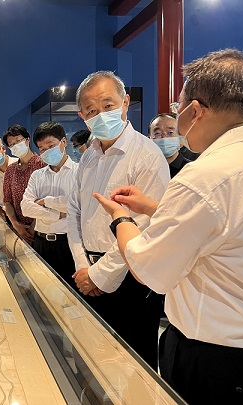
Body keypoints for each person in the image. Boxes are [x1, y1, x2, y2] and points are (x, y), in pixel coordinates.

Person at [93, 49, 243, 404]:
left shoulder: (204, 176)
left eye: (177, 108)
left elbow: (149, 269)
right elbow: (229, 226)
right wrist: (156, 207)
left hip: (214, 356)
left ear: (195, 110)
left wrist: (121, 218)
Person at [67, 71, 170, 370]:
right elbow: (75, 212)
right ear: (82, 116)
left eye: (108, 105)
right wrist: (83, 266)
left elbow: (144, 225)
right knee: (94, 360)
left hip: (130, 277)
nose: (101, 115)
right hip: (88, 270)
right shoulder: (89, 156)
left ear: (125, 102)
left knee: (134, 366)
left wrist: (99, 275)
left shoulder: (147, 155)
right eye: (91, 111)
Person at [20, 122, 78, 289]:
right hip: (40, 242)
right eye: (42, 149)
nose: (46, 151)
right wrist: (58, 214)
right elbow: (26, 207)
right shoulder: (37, 175)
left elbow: (75, 204)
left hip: (68, 244)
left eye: (51, 146)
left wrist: (46, 201)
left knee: (70, 293)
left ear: (63, 142)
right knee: (41, 289)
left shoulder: (79, 171)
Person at [2, 124, 46, 244]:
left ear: (27, 140)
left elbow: (47, 199)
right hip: (19, 229)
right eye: (11, 144)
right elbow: (7, 200)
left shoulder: (43, 164)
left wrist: (33, 226)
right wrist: (16, 224)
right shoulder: (10, 170)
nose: (15, 146)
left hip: (42, 228)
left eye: (18, 141)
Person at [148, 113, 191, 177]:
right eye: (157, 133)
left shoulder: (191, 170)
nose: (164, 137)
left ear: (181, 140)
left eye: (170, 132)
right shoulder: (144, 170)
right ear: (149, 139)